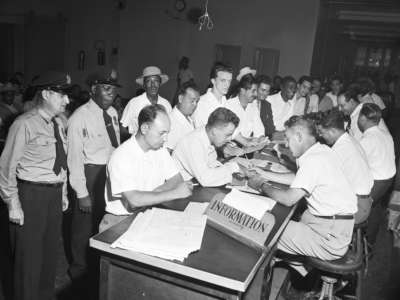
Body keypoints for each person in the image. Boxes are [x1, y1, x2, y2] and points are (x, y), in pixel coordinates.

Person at [0, 71, 70, 300]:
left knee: (49, 257)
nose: (67, 100)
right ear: (47, 94)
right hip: (30, 196)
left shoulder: (58, 123)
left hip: (52, 196)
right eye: (62, 95)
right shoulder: (23, 124)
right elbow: (6, 167)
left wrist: (63, 191)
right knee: (28, 262)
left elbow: (61, 160)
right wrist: (13, 203)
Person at [248, 116, 357, 263]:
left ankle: (272, 273)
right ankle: (296, 266)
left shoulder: (313, 160)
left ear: (299, 136)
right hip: (333, 226)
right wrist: (264, 173)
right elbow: (299, 178)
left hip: (328, 238)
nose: (286, 144)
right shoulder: (321, 150)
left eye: (287, 139)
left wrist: (261, 184)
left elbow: (288, 199)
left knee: (261, 227)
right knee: (280, 221)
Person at [100, 104, 193, 231]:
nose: (165, 139)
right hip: (120, 221)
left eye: (167, 133)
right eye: (162, 133)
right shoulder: (121, 156)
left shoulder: (159, 150)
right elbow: (134, 200)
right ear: (144, 128)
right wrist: (174, 193)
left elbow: (176, 179)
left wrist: (149, 197)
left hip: (148, 214)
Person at [67, 70, 121, 283]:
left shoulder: (113, 113)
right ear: (93, 90)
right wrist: (81, 193)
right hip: (89, 175)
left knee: (102, 223)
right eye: (106, 88)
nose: (111, 94)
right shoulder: (79, 117)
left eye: (114, 89)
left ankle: (97, 269)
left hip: (109, 174)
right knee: (83, 227)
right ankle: (79, 271)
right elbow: (74, 159)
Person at [317, 110, 374, 224]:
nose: (320, 135)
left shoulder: (340, 150)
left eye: (322, 132)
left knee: (311, 206)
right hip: (365, 202)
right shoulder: (350, 139)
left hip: (356, 208)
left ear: (332, 131)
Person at [173, 107, 250, 187]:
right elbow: (206, 180)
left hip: (194, 184)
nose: (229, 139)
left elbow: (212, 166)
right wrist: (234, 167)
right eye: (228, 135)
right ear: (214, 131)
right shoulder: (193, 143)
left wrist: (237, 173)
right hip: (180, 190)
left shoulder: (208, 135)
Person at [357, 103, 396, 245]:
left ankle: (366, 241)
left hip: (378, 182)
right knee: (376, 205)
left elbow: (357, 166)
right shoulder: (385, 133)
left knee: (361, 206)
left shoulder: (367, 139)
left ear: (362, 118)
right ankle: (371, 238)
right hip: (389, 179)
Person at [121, 66, 171, 135]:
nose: (153, 85)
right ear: (144, 85)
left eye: (156, 81)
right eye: (148, 81)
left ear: (160, 83)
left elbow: (171, 128)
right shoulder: (134, 103)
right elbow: (123, 129)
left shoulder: (166, 104)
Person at [225, 72, 265, 146]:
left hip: (248, 147)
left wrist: (261, 138)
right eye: (253, 91)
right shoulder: (228, 106)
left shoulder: (253, 107)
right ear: (242, 90)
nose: (256, 94)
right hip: (231, 148)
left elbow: (259, 128)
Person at [192, 62, 233, 128]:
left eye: (229, 81)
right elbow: (200, 132)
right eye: (223, 80)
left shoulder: (227, 103)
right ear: (213, 81)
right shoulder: (201, 104)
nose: (227, 85)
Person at [165, 82, 200, 151]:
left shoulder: (190, 118)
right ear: (180, 98)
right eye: (192, 101)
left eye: (197, 101)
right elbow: (168, 152)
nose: (195, 105)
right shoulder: (171, 122)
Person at [0, 82, 20, 152]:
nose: (10, 97)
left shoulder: (17, 106)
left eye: (12, 95)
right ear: (2, 96)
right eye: (8, 95)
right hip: (4, 140)